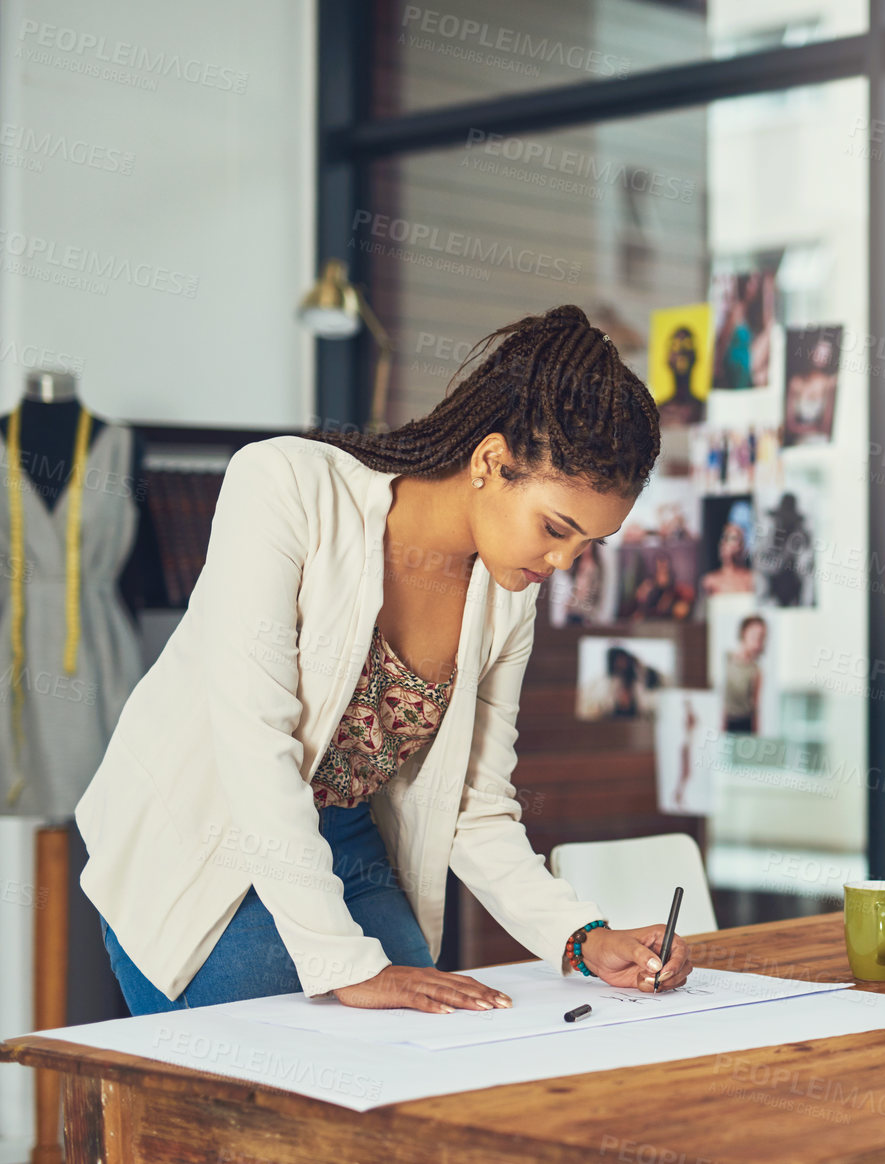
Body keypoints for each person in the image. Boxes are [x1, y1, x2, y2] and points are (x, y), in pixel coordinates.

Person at [76, 304, 694, 1016]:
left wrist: (579, 937)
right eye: (556, 529)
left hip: (344, 838)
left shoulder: (505, 597)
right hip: (206, 835)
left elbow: (474, 807)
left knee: (430, 1057)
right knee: (286, 1097)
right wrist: (346, 963)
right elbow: (254, 747)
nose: (563, 562)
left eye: (589, 545)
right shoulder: (285, 486)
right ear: (491, 460)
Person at [722, 615, 767, 734]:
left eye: (760, 637)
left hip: (745, 725)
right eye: (754, 635)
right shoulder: (727, 659)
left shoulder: (756, 670)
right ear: (743, 633)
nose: (756, 640)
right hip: (728, 723)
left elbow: (755, 707)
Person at [701, 520, 754, 597]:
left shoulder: (750, 580)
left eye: (734, 538)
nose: (726, 543)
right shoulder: (710, 582)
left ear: (742, 547)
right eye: (726, 538)